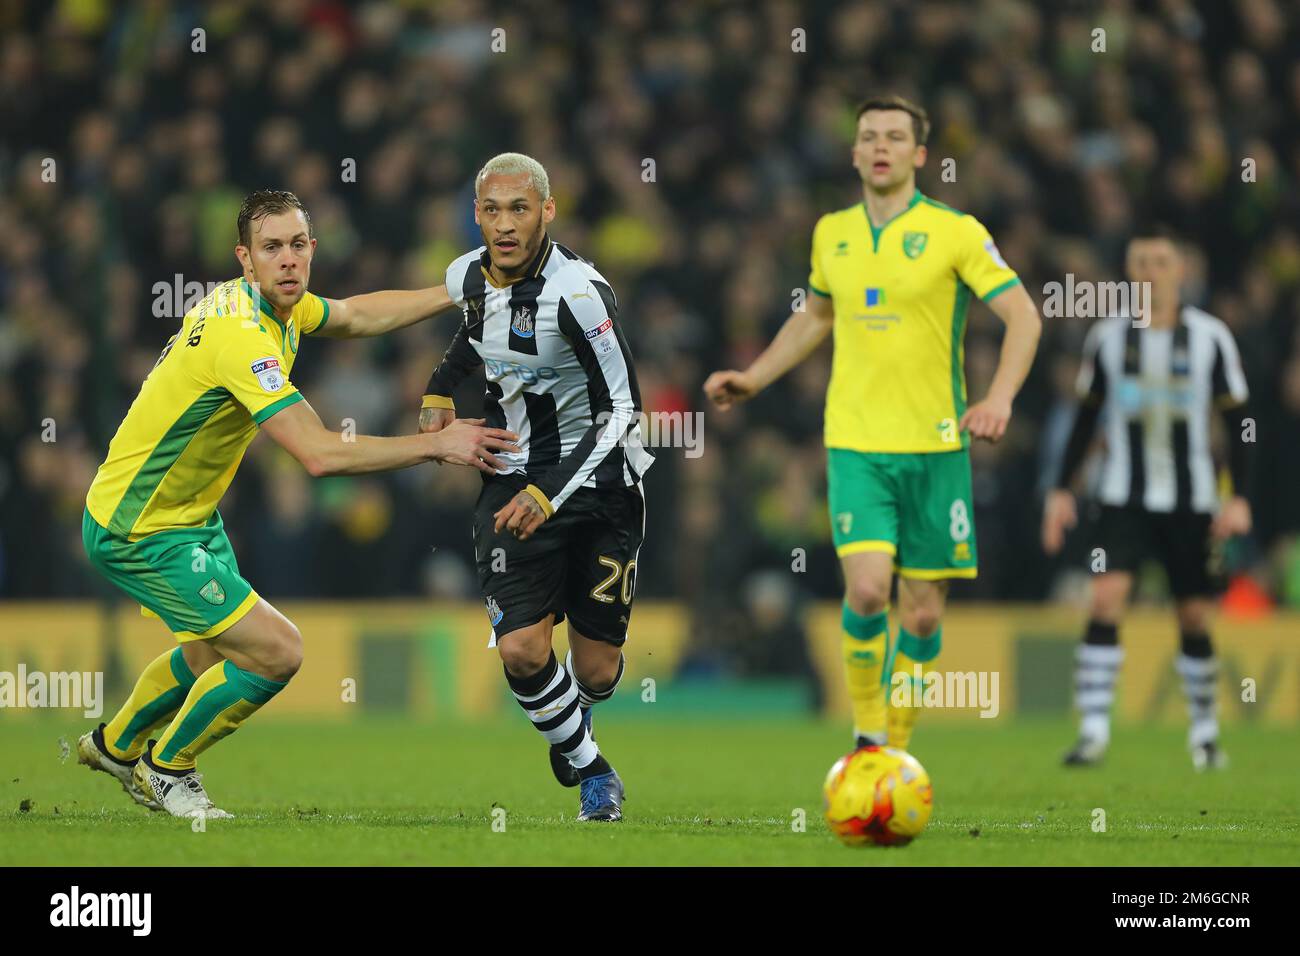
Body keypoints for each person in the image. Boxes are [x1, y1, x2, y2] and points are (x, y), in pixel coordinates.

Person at [78, 190, 517, 818]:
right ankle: (164, 768)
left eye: (298, 245)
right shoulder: (240, 335)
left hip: (186, 516)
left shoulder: (276, 307)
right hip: (138, 525)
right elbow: (317, 453)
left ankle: (116, 746)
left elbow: (356, 315)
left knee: (211, 650)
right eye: (271, 248)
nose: (288, 260)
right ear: (245, 259)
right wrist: (436, 446)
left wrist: (453, 293)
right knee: (278, 651)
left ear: (312, 249)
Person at [704, 96, 1041, 753]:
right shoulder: (833, 233)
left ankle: (898, 747)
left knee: (920, 612)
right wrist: (757, 376)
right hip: (856, 443)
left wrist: (998, 398)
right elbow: (816, 316)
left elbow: (1025, 317)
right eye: (868, 136)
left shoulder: (958, 232)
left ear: (919, 154)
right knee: (865, 590)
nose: (880, 146)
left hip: (937, 448)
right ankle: (867, 739)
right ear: (854, 152)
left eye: (895, 136)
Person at [419, 153, 653, 822]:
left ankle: (572, 721)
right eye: (491, 211)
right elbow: (476, 330)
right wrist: (440, 384)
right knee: (523, 650)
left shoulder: (580, 295)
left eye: (519, 209)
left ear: (547, 212)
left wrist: (550, 492)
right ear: (476, 216)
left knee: (601, 670)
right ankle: (592, 770)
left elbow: (621, 412)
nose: (505, 224)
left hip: (605, 487)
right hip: (510, 477)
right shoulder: (469, 274)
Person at [1043, 226, 1252, 770]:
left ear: (1180, 270)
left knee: (1194, 617)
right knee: (1106, 598)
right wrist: (1063, 489)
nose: (1149, 273)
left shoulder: (1210, 338)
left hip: (1193, 501)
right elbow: (1086, 419)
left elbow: (1241, 423)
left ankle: (1204, 735)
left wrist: (1239, 497)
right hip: (1121, 498)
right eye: (1139, 263)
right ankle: (1092, 732)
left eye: (1160, 262)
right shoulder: (1109, 338)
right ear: (1127, 272)